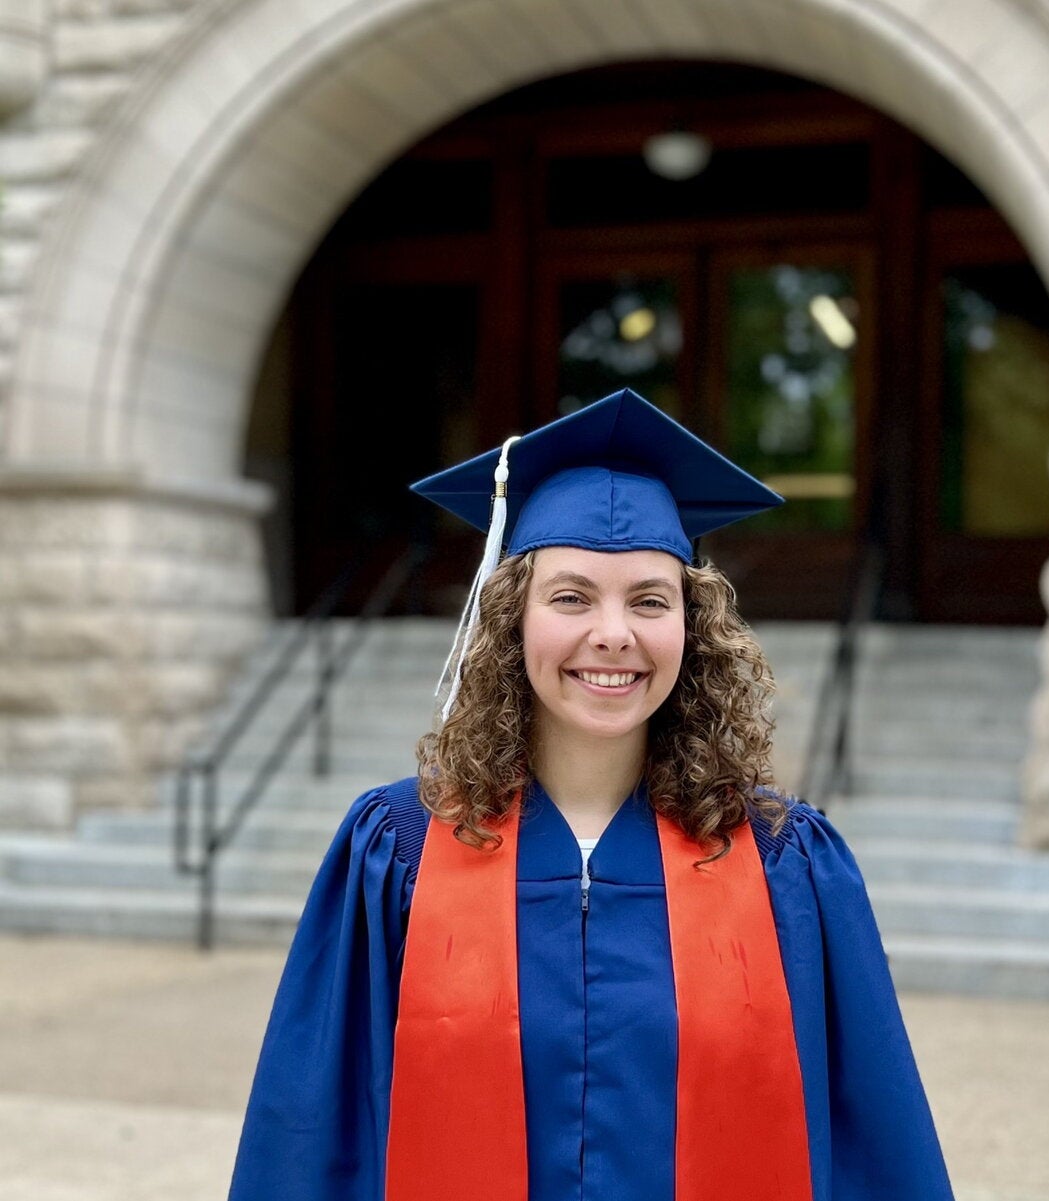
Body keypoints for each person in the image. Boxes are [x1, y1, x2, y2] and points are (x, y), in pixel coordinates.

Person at [228, 388, 954, 1201]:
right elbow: (310, 1137)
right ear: (511, 621)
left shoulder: (784, 861)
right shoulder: (399, 849)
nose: (614, 633)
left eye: (650, 599)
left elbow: (876, 1143)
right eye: (571, 596)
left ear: (693, 626)